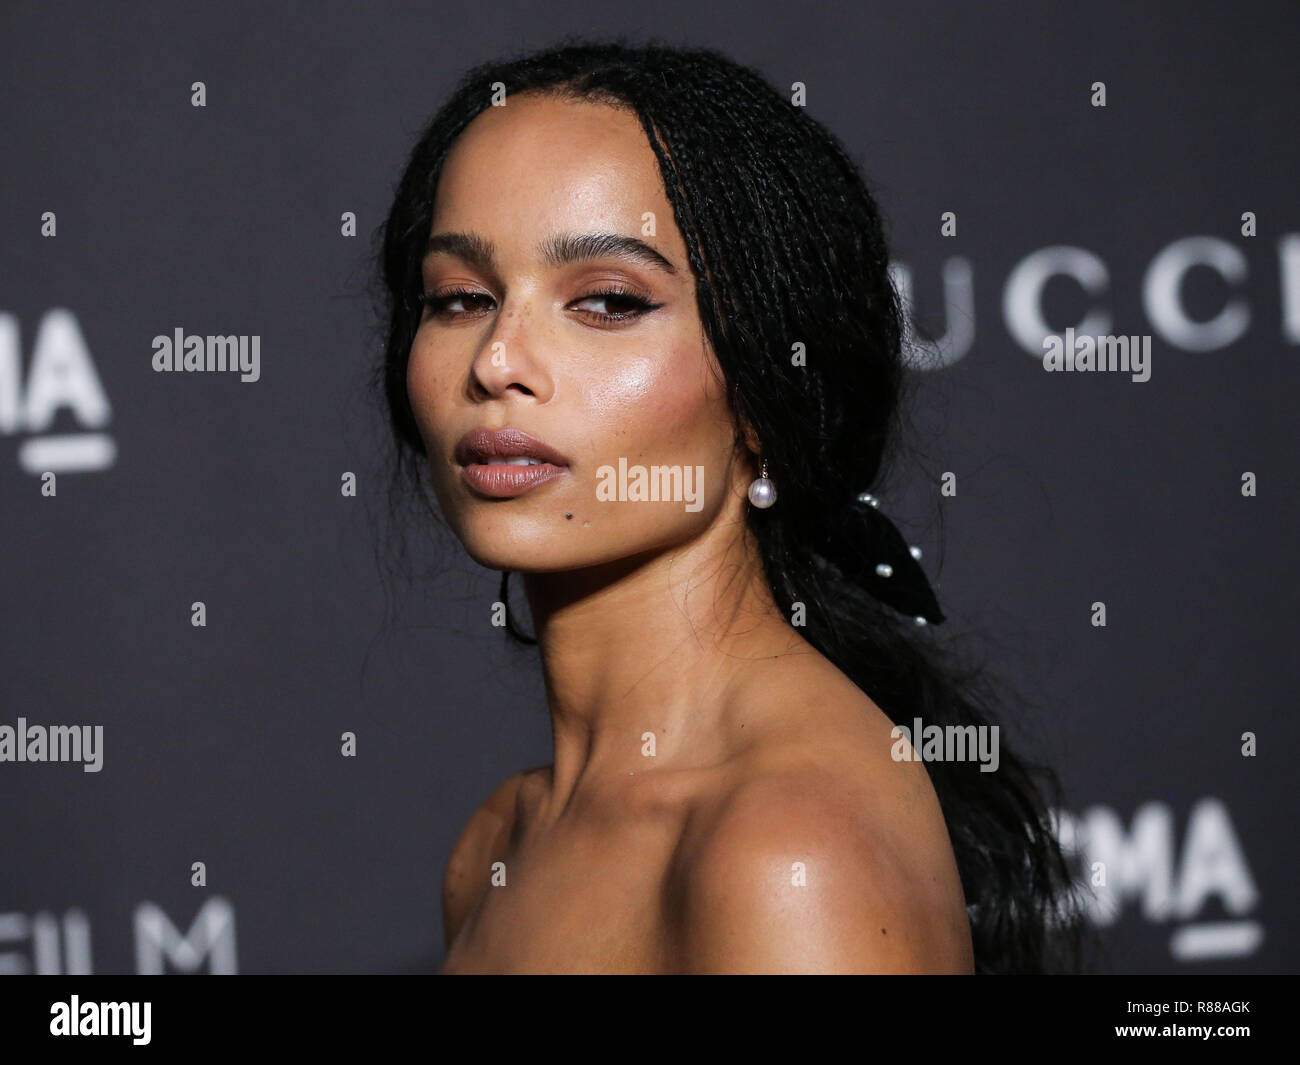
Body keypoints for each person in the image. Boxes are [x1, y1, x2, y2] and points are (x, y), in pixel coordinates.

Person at [373, 39, 1084, 973]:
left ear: (765, 394)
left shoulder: (787, 853)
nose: (496, 360)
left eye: (610, 301)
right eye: (460, 297)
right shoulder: (499, 845)